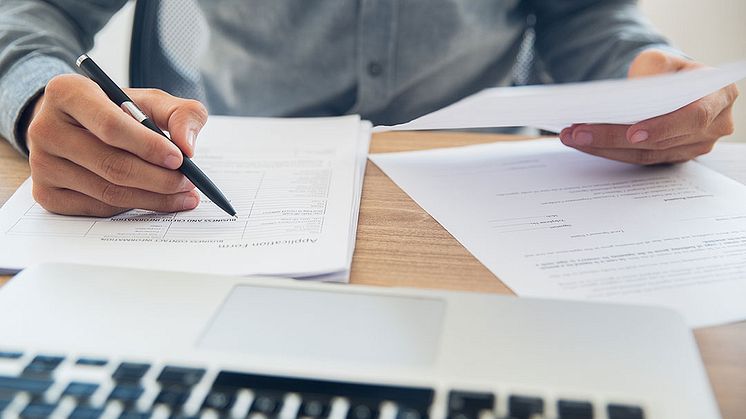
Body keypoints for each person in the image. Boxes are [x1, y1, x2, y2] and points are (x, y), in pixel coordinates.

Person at [0, 1, 738, 217]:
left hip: (491, 195)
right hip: (237, 190)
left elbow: (584, 17)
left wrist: (645, 81)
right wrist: (41, 98)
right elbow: (29, 15)